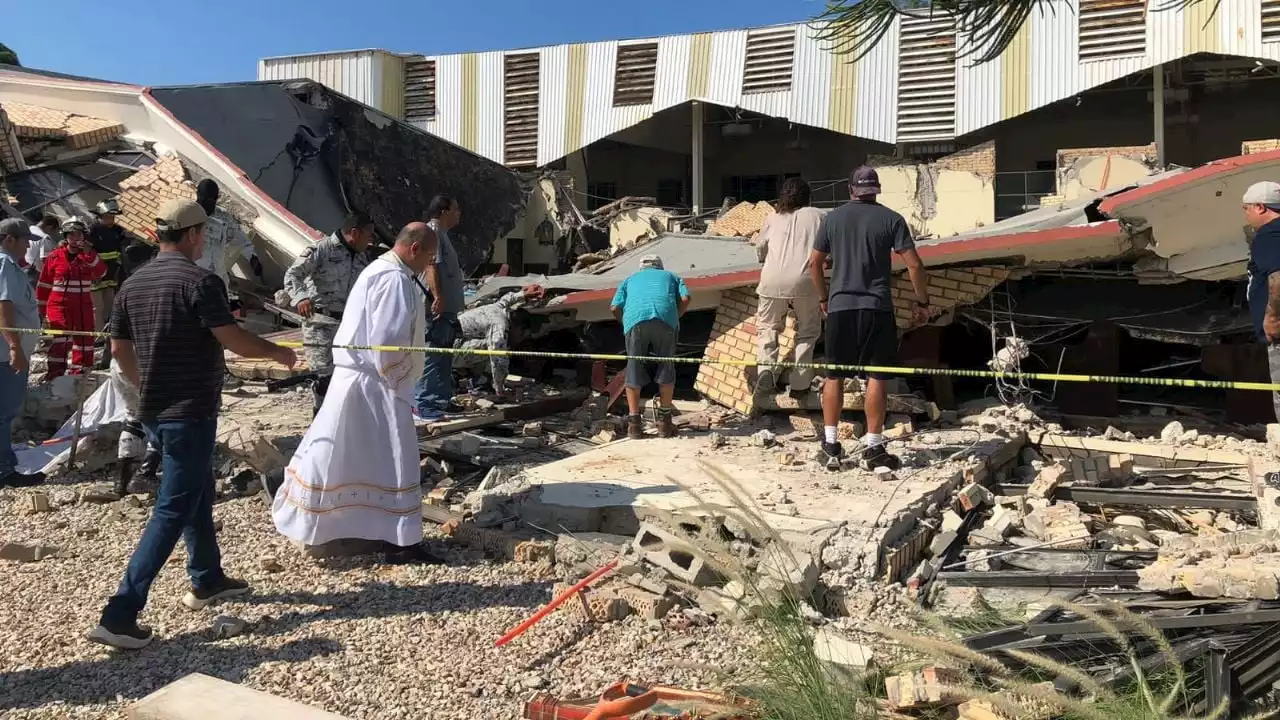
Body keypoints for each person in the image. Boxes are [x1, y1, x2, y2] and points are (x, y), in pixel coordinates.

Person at [89, 199, 297, 650]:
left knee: (198, 485)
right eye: (201, 232)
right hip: (189, 411)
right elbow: (232, 339)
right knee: (172, 507)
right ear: (191, 235)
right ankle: (120, 613)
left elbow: (119, 349)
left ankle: (207, 577)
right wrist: (277, 352)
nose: (204, 239)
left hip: (154, 411)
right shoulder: (200, 282)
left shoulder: (133, 283)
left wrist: (147, 384)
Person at [272, 222, 439, 563]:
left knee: (350, 455)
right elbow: (388, 339)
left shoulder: (379, 269)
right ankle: (400, 540)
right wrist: (401, 378)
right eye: (430, 256)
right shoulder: (393, 279)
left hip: (361, 379)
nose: (429, 264)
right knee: (394, 458)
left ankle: (359, 529)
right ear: (415, 248)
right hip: (376, 383)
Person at [810, 166, 929, 472]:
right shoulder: (892, 219)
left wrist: (824, 297)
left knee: (834, 374)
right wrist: (921, 301)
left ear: (851, 189)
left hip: (840, 307)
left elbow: (814, 263)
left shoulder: (832, 219)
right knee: (877, 375)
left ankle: (831, 446)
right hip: (878, 307)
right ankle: (874, 448)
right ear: (876, 190)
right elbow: (914, 265)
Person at [282, 212, 375, 416]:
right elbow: (293, 274)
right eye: (368, 235)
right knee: (323, 379)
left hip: (347, 326)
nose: (371, 241)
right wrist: (301, 298)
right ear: (355, 233)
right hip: (321, 324)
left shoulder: (361, 257)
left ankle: (339, 424)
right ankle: (320, 424)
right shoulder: (321, 249)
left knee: (345, 378)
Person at [753, 177, 825, 395]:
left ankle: (766, 369)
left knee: (768, 326)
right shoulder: (819, 216)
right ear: (807, 196)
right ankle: (801, 384)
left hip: (771, 280)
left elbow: (760, 249)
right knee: (808, 331)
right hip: (806, 280)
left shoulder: (772, 217)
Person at [610, 255, 690, 440]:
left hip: (634, 322)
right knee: (666, 367)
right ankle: (664, 425)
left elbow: (614, 307)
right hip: (666, 320)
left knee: (633, 369)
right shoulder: (672, 276)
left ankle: (634, 426)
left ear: (641, 268)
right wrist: (675, 317)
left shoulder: (628, 280)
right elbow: (685, 298)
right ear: (660, 267)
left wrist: (625, 324)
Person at [0, 218, 45, 488]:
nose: (28, 246)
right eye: (25, 240)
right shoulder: (4, 264)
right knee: (4, 412)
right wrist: (16, 347)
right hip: (5, 354)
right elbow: (3, 305)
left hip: (7, 351)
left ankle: (5, 461)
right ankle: (4, 470)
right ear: (9, 239)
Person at [415, 194, 467, 421]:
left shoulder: (442, 234)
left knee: (444, 355)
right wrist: (437, 296)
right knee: (433, 355)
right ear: (444, 211)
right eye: (456, 209)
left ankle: (441, 399)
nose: (459, 215)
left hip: (447, 310)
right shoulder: (433, 232)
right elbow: (431, 266)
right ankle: (425, 403)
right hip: (436, 308)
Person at [37, 218, 106, 378]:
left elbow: (101, 272)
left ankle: (80, 375)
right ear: (65, 236)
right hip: (58, 306)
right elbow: (44, 285)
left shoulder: (89, 256)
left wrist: (90, 254)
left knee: (85, 341)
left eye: (79, 235)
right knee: (61, 341)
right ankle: (55, 375)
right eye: (72, 235)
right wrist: (42, 310)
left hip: (83, 307)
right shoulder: (54, 257)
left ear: (84, 237)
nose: (76, 239)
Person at [453, 284, 545, 397]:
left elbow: (507, 298)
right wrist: (500, 389)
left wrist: (523, 295)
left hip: (453, 342)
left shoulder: (499, 308)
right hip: (450, 351)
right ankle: (481, 384)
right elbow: (498, 359)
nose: (521, 339)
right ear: (518, 327)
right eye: (521, 335)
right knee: (499, 351)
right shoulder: (499, 326)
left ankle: (474, 378)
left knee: (494, 348)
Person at [1244, 180, 1280, 423]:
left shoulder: (1269, 235)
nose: (1245, 215)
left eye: (1245, 208)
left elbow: (1278, 276)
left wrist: (1273, 317)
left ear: (1260, 207)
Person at [194, 179, 263, 291]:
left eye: (211, 200)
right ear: (197, 195)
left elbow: (241, 239)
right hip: (194, 278)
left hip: (218, 278)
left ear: (216, 199)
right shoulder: (187, 215)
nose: (207, 203)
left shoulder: (224, 217)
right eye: (204, 199)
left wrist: (252, 257)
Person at [88, 198, 132, 332]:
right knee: (97, 307)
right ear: (101, 215)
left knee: (110, 304)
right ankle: (98, 335)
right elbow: (87, 253)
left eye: (113, 217)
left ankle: (109, 333)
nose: (112, 220)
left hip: (112, 273)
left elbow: (122, 244)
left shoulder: (117, 230)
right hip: (95, 274)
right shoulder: (93, 230)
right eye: (109, 217)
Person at [25, 213, 61, 279]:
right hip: (34, 273)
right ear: (50, 227)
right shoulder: (44, 237)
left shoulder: (27, 230)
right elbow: (45, 260)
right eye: (53, 231)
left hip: (21, 268)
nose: (51, 233)